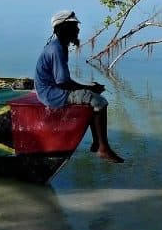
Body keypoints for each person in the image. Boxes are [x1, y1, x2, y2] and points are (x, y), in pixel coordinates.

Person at [35, 10, 124, 163]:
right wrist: (89, 89)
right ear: (63, 28)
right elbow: (62, 81)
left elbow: (62, 79)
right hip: (51, 94)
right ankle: (103, 148)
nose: (78, 29)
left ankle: (97, 143)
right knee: (99, 102)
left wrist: (88, 87)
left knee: (92, 98)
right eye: (74, 26)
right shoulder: (56, 49)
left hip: (51, 89)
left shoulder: (59, 45)